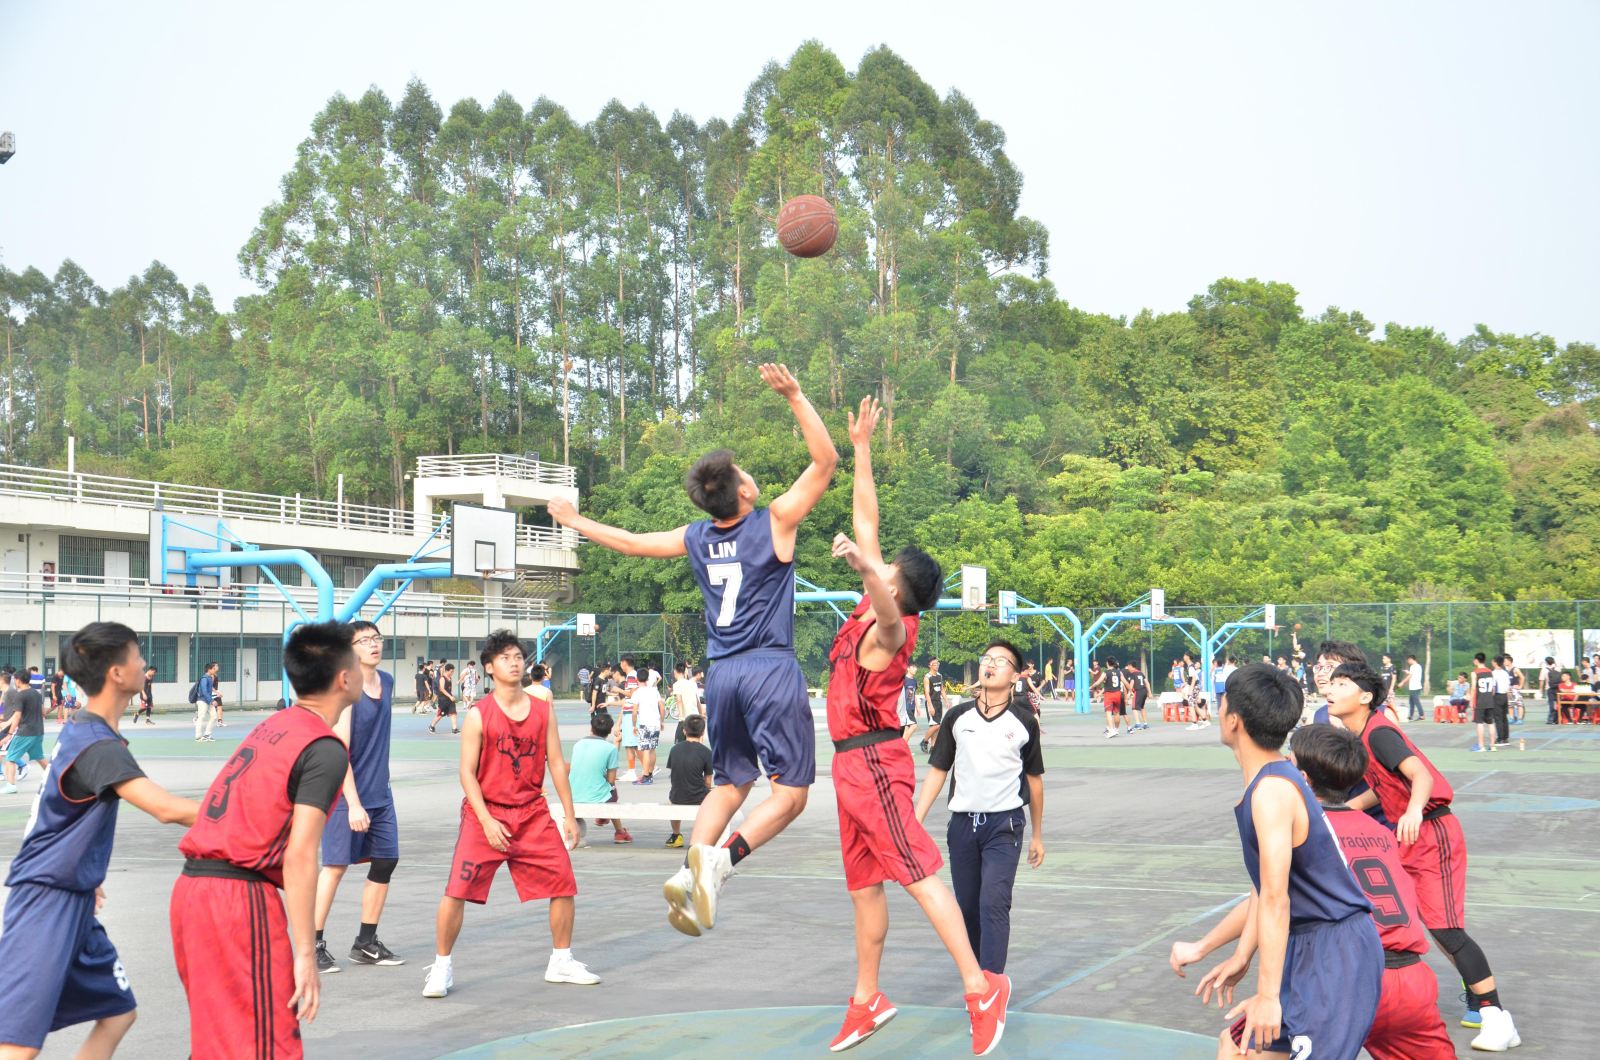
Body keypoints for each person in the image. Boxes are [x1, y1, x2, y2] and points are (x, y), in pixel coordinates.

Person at [547, 363, 835, 938]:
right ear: (744, 491)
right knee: (792, 795)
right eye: (746, 473)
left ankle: (688, 873)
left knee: (730, 784)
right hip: (769, 668)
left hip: (721, 674)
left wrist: (575, 520)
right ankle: (720, 863)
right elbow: (825, 462)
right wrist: (796, 396)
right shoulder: (775, 521)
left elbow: (631, 544)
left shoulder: (697, 536)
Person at [817, 396, 1010, 1055]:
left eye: (888, 570)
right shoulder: (872, 604)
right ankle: (867, 999)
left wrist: (863, 567)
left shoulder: (893, 629)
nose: (880, 565)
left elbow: (880, 594)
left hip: (875, 764)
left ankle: (981, 987)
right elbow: (866, 520)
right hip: (848, 767)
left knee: (919, 872)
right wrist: (861, 448)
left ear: (897, 586)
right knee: (863, 887)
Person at [0, 623, 198, 1058]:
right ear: (116, 673)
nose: (144, 664)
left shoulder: (86, 728)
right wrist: (249, 815)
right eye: (137, 656)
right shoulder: (97, 744)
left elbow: (57, 813)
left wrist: (85, 871)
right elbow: (166, 809)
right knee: (17, 1046)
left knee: (118, 1012)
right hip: (46, 899)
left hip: (70, 891)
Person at [171, 622, 360, 1059]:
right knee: (263, 1044)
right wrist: (306, 953)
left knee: (220, 1042)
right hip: (236, 899)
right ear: (344, 678)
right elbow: (300, 856)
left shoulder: (275, 724)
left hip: (193, 890)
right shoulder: (324, 748)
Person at [1182, 663, 1382, 1060]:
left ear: (1234, 719)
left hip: (1333, 951)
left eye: (1222, 703)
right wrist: (1240, 954)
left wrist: (1268, 995)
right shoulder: (1271, 780)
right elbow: (1264, 890)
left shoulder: (1272, 791)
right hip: (1308, 945)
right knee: (1235, 1049)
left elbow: (1276, 897)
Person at [1324, 662, 1519, 1049]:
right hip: (1411, 835)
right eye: (1331, 683)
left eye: (1341, 683)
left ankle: (1495, 1015)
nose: (1330, 689)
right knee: (1392, 917)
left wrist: (1413, 811)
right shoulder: (1362, 735)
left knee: (1446, 929)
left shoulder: (1379, 733)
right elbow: (1384, 787)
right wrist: (1340, 811)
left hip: (1432, 831)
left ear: (1365, 697)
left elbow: (1421, 776)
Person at [424, 632, 597, 997]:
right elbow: (466, 773)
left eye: (518, 656)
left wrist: (569, 814)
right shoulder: (478, 715)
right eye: (505, 658)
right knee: (456, 890)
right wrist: (486, 820)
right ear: (489, 668)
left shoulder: (542, 710)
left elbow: (556, 763)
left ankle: (561, 961)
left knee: (563, 883)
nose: (514, 662)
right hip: (485, 813)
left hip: (532, 813)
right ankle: (441, 967)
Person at [1287, 726, 1456, 1059]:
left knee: (1238, 1045)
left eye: (1288, 763)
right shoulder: (1379, 831)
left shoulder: (1307, 832)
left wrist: (1210, 947)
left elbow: (1268, 902)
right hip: (1411, 977)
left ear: (1303, 779)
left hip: (1348, 978)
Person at [914, 638, 1045, 975]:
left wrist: (1037, 836)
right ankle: (976, 981)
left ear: (1014, 676)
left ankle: (992, 986)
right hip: (961, 826)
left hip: (1004, 826)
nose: (990, 664)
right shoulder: (957, 717)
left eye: (1000, 661)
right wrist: (915, 820)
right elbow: (939, 770)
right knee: (969, 909)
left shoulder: (1024, 722)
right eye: (987, 658)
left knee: (993, 903)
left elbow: (1035, 780)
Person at [312, 621, 406, 974]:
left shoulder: (388, 682)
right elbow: (340, 752)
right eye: (363, 640)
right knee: (335, 867)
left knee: (386, 861)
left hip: (380, 793)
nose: (372, 644)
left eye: (376, 638)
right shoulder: (346, 691)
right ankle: (311, 944)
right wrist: (353, 803)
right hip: (344, 794)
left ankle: (366, 943)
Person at [568, 710, 631, 846]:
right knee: (612, 790)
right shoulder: (610, 748)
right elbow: (611, 780)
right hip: (597, 797)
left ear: (591, 728)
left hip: (573, 795)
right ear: (609, 732)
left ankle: (602, 817)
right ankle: (619, 831)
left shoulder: (578, 745)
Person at [666, 714, 714, 849]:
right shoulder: (706, 752)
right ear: (702, 732)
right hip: (698, 797)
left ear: (684, 731)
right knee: (714, 795)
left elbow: (675, 773)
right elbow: (708, 781)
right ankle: (703, 835)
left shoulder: (674, 749)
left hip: (676, 795)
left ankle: (676, 835)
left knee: (673, 801)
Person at [2, 671, 48, 793]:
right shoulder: (37, 694)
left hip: (25, 732)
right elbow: (43, 712)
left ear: (18, 680)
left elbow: (17, 716)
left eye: (14, 679)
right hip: (38, 731)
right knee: (40, 757)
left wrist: (9, 734)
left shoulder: (20, 695)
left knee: (10, 758)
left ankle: (11, 786)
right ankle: (56, 778)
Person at [630, 672, 663, 784]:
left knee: (646, 750)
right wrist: (662, 721)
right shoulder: (654, 691)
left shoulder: (637, 693)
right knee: (652, 749)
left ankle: (645, 775)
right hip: (655, 723)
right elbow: (662, 707)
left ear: (637, 679)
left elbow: (634, 712)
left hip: (645, 723)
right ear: (647, 678)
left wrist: (634, 725)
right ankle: (650, 774)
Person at [1469, 653, 1498, 753]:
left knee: (1479, 723)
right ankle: (1493, 746)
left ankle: (1481, 746)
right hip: (1490, 700)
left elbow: (1473, 688)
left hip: (1480, 701)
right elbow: (1493, 689)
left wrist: (1471, 701)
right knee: (1491, 723)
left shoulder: (1475, 673)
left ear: (1476, 660)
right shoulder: (1490, 672)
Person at [919, 658, 946, 753]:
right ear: (930, 665)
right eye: (934, 664)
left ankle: (933, 746)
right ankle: (924, 741)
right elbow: (926, 693)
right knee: (936, 725)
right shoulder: (927, 677)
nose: (936, 665)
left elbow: (942, 689)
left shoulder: (939, 675)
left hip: (938, 702)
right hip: (931, 702)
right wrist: (930, 706)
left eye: (937, 663)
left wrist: (946, 700)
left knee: (936, 726)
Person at [670, 662, 701, 744]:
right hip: (695, 717)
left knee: (679, 743)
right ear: (685, 671)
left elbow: (679, 700)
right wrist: (701, 714)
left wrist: (681, 717)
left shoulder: (677, 684)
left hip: (685, 718)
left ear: (675, 671)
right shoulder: (692, 683)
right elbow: (698, 701)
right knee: (694, 742)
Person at [191, 661, 219, 742]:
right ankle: (198, 737)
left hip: (208, 701)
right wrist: (212, 700)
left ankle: (207, 735)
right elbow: (204, 691)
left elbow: (209, 690)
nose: (216, 670)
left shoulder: (210, 678)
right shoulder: (204, 679)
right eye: (214, 668)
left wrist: (212, 699)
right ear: (209, 669)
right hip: (202, 701)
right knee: (201, 717)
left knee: (214, 716)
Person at [428, 662, 459, 735]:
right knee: (440, 714)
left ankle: (454, 729)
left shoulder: (450, 678)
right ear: (447, 670)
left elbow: (449, 689)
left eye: (453, 671)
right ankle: (432, 726)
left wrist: (451, 696)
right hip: (443, 699)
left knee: (453, 713)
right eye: (451, 671)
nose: (452, 673)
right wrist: (450, 696)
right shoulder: (442, 678)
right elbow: (442, 689)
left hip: (450, 699)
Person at [1101, 656, 1125, 738]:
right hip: (1118, 693)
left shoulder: (1106, 672)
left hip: (1109, 694)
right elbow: (1125, 682)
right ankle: (1116, 729)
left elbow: (1098, 682)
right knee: (1117, 713)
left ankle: (1111, 730)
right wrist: (1131, 691)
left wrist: (1091, 687)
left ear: (1107, 663)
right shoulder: (1119, 672)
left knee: (1108, 713)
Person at [1124, 660, 1151, 732]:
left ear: (1130, 666)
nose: (1128, 668)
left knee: (1134, 708)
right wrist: (1149, 692)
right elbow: (1147, 682)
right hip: (1144, 691)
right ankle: (1145, 723)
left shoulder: (1133, 673)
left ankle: (1138, 724)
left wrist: (1129, 693)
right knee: (1142, 707)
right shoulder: (1140, 673)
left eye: (1128, 666)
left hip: (1138, 691)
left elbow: (1131, 683)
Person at [900, 663, 920, 744]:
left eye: (916, 667)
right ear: (908, 668)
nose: (915, 669)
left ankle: (902, 747)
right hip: (906, 708)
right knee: (914, 726)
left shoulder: (914, 681)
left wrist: (917, 707)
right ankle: (902, 745)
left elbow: (914, 694)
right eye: (913, 667)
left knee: (907, 728)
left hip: (912, 707)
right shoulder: (904, 680)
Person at [1540, 656, 1561, 725]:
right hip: (1558, 688)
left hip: (1549, 688)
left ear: (1546, 662)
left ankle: (1550, 719)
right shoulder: (1558, 668)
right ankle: (1557, 719)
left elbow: (1542, 680)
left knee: (1551, 704)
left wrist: (1541, 689)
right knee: (1558, 703)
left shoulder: (1544, 669)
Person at [1404, 654, 1424, 722]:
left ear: (1411, 659)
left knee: (1416, 702)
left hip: (1415, 687)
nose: (1408, 662)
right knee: (1411, 702)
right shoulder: (1417, 666)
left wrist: (1403, 682)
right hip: (1413, 687)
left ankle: (1421, 715)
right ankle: (1411, 716)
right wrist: (1408, 672)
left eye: (1408, 660)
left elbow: (1411, 675)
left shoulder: (1414, 666)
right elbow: (1413, 675)